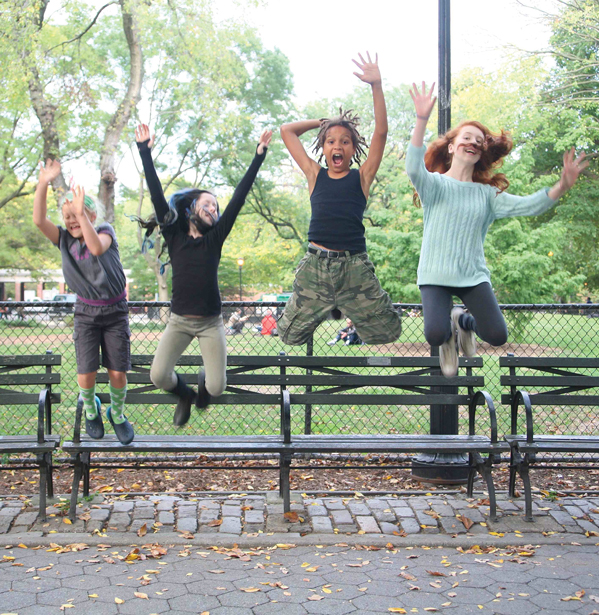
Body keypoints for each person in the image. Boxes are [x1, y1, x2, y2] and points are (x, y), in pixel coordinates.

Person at [407, 82, 588, 377]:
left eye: (479, 141)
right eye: (467, 137)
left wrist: (562, 186)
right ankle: (449, 334)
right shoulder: (435, 185)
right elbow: (414, 168)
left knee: (497, 335)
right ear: (452, 147)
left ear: (481, 153)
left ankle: (463, 322)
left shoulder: (487, 195)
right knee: (435, 334)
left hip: (472, 275)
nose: (474, 143)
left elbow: (529, 206)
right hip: (435, 274)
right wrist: (421, 119)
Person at [135, 124, 272, 426]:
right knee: (158, 375)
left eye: (216, 207)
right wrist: (145, 151)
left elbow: (238, 198)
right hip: (179, 321)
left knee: (215, 387)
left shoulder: (215, 238)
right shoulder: (173, 235)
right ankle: (184, 394)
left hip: (211, 322)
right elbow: (158, 196)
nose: (214, 208)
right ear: (192, 209)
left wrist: (258, 157)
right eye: (207, 203)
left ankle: (202, 381)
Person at [277, 52, 402, 347]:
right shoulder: (313, 173)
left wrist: (377, 85)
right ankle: (325, 308)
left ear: (353, 148)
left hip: (354, 268)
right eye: (331, 140)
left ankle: (343, 307)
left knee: (388, 332)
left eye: (345, 141)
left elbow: (382, 133)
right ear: (323, 146)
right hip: (315, 267)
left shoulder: (362, 176)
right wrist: (325, 123)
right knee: (289, 335)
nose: (338, 145)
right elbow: (286, 131)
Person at [33, 160, 133, 444]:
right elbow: (39, 221)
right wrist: (44, 183)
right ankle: (92, 410)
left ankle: (118, 413)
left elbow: (95, 247)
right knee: (86, 374)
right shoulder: (63, 240)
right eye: (68, 216)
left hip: (115, 312)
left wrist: (82, 215)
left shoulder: (105, 231)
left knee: (117, 372)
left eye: (78, 214)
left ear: (91, 213)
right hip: (86, 313)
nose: (73, 220)